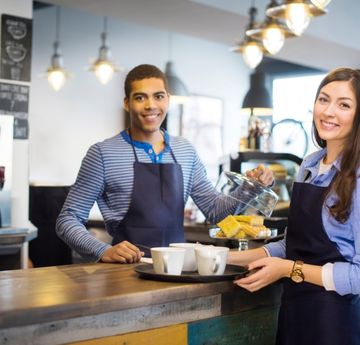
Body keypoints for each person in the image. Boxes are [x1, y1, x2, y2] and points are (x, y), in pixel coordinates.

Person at [56, 64, 273, 264]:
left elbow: (216, 213)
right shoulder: (103, 154)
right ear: (126, 103)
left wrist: (250, 186)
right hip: (124, 271)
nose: (151, 105)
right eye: (140, 98)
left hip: (179, 269)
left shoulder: (185, 151)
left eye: (158, 96)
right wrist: (102, 250)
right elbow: (67, 220)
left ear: (167, 99)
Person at [228, 67, 360, 345]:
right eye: (323, 99)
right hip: (295, 312)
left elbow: (358, 275)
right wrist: (221, 258)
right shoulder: (309, 166)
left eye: (344, 105)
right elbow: (294, 245)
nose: (328, 111)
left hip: (338, 321)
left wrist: (288, 269)